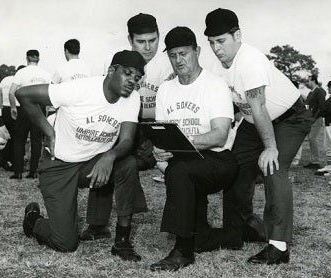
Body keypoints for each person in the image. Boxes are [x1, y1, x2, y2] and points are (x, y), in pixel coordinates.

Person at [200, 8, 314, 265]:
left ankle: (279, 246)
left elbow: (259, 106)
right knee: (233, 165)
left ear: (237, 35)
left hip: (288, 118)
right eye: (211, 43)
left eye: (221, 41)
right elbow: (230, 109)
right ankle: (241, 227)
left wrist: (270, 147)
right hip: (254, 122)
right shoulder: (216, 68)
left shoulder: (249, 59)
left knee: (273, 167)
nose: (216, 48)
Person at [17, 50, 148, 261]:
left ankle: (120, 239)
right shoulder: (80, 88)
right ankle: (33, 221)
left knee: (127, 164)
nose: (132, 81)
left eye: (137, 78)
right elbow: (24, 94)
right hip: (59, 164)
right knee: (66, 243)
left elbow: (126, 141)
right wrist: (48, 131)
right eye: (127, 73)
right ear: (111, 70)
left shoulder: (132, 98)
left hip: (91, 163)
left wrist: (109, 157)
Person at [149, 26, 238, 272]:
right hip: (185, 161)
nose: (178, 60)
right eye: (173, 55)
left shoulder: (215, 84)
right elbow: (162, 133)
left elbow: (220, 136)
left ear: (197, 51)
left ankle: (182, 251)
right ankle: (236, 234)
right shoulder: (166, 89)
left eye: (184, 54)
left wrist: (180, 145)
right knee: (202, 237)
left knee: (178, 170)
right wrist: (161, 150)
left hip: (219, 161)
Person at [81, 13, 173, 241]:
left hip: (157, 123)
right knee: (107, 156)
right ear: (130, 39)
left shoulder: (167, 63)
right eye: (141, 41)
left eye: (153, 40)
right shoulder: (118, 61)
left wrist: (155, 138)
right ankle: (97, 224)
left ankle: (178, 222)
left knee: (176, 163)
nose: (148, 47)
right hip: (122, 121)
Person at [9, 50, 51, 179]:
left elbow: (11, 92)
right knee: (36, 140)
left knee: (19, 140)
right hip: (39, 107)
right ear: (38, 59)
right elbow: (50, 92)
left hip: (25, 107)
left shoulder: (21, 72)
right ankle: (33, 172)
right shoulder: (45, 73)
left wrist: (12, 108)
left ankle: (18, 172)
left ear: (27, 59)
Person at [0, 65, 26, 164]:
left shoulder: (6, 79)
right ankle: (9, 159)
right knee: (18, 137)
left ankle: (10, 159)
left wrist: (1, 106)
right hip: (17, 109)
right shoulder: (23, 80)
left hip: (5, 109)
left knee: (14, 136)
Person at [303, 75, 326, 169]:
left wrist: (314, 118)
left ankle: (316, 162)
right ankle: (313, 160)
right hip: (311, 119)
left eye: (308, 81)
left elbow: (321, 107)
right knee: (311, 138)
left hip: (317, 119)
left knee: (312, 138)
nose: (307, 83)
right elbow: (307, 106)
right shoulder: (311, 93)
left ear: (313, 81)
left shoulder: (320, 91)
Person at [316, 81, 331, 174]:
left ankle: (329, 166)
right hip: (328, 123)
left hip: (330, 124)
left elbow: (325, 110)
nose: (328, 88)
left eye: (329, 87)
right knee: (327, 146)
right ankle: (329, 166)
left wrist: (322, 111)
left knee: (329, 146)